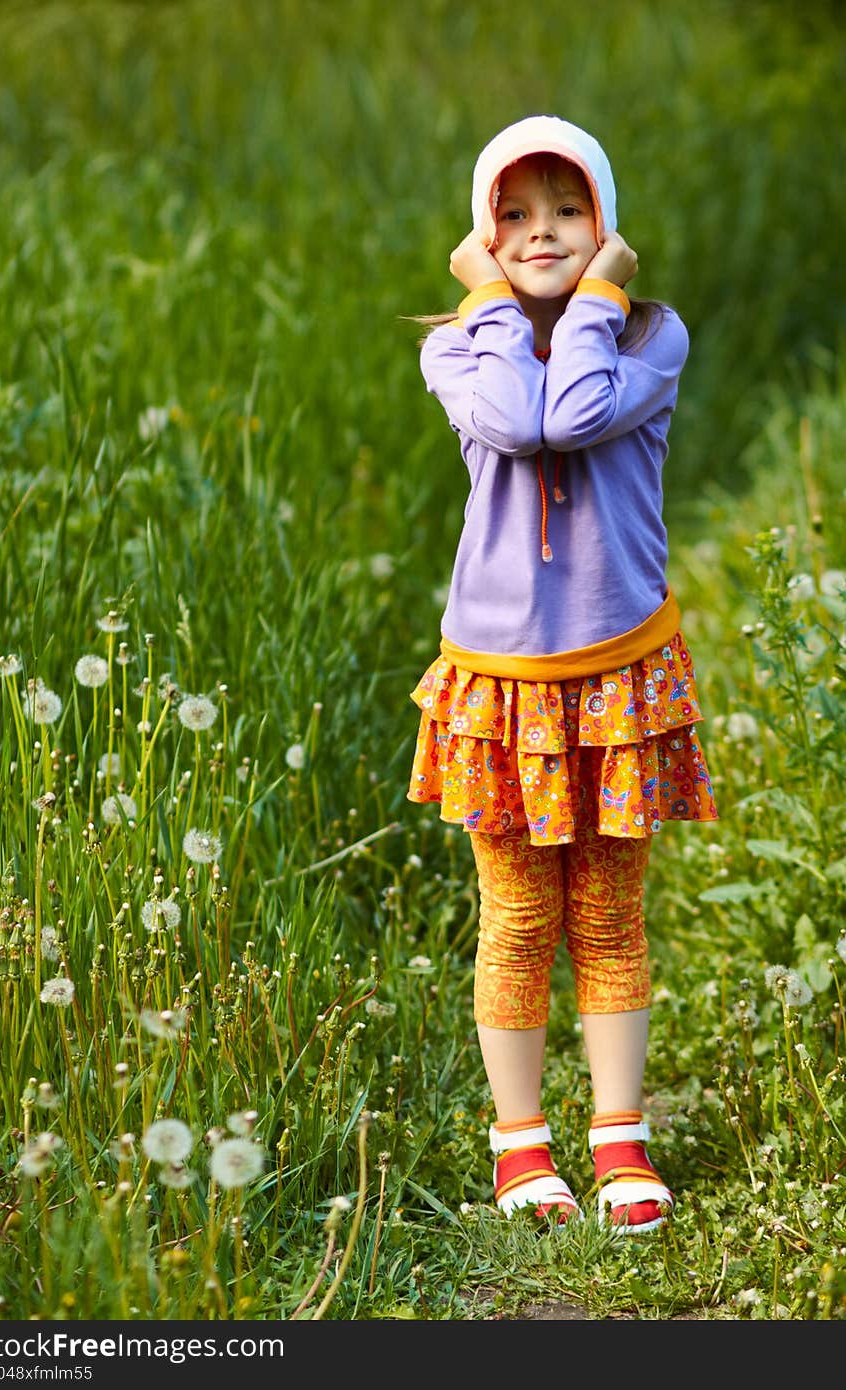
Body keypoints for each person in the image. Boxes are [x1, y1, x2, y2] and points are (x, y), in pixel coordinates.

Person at [406, 115, 718, 1234]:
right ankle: (520, 1146)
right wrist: (494, 308)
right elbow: (517, 422)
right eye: (515, 213)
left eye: (569, 210)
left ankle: (619, 1136)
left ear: (608, 224)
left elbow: (572, 413)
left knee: (609, 910)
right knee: (517, 914)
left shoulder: (648, 339)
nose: (543, 232)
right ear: (482, 233)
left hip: (618, 671)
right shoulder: (458, 344)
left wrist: (593, 305)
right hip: (499, 679)